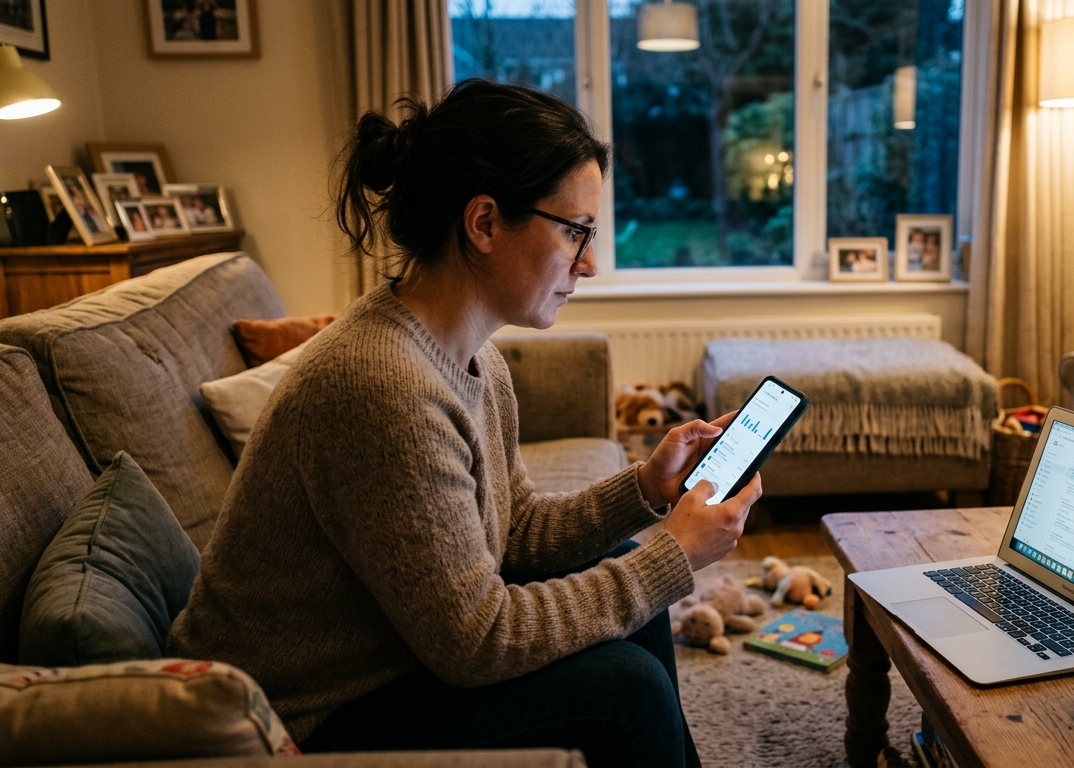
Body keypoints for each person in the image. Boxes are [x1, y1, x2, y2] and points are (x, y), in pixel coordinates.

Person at [166, 79, 761, 767]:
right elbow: (479, 642)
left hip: (391, 662)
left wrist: (646, 490)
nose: (590, 263)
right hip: (302, 712)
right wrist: (677, 555)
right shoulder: (381, 386)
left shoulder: (474, 358)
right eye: (575, 231)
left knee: (632, 576)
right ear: (483, 224)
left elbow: (516, 532)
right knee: (624, 686)